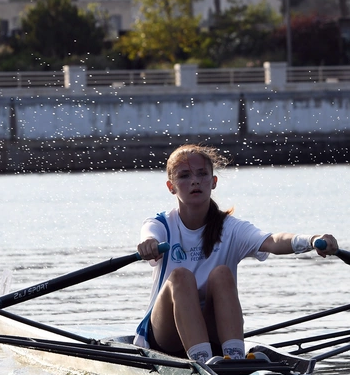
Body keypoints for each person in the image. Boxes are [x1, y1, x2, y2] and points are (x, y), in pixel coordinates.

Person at [134, 144, 338, 363]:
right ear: (171, 187)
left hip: (212, 332)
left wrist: (311, 240)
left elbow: (272, 241)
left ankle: (234, 358)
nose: (195, 181)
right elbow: (149, 235)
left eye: (202, 174)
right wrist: (148, 244)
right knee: (180, 277)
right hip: (166, 336)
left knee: (221, 273)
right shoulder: (161, 224)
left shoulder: (231, 228)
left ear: (213, 182)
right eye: (184, 175)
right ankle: (202, 362)